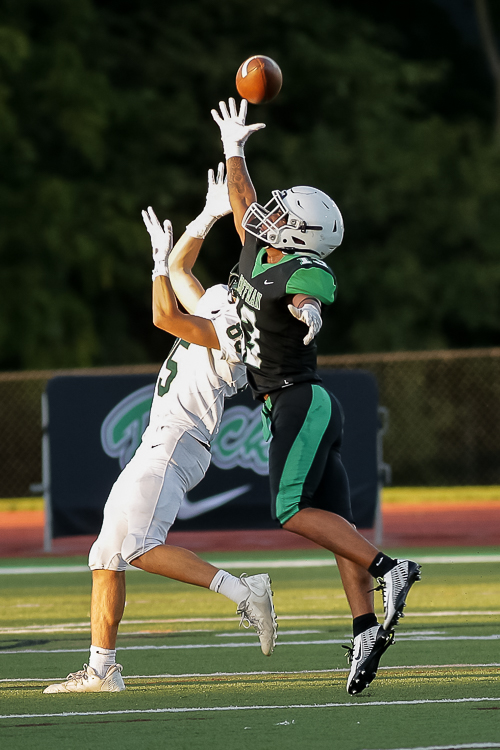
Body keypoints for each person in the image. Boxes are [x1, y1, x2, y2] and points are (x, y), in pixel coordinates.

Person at [211, 98, 421, 695]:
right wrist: (234, 150)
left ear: (300, 235)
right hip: (303, 405)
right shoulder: (259, 249)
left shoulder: (303, 266)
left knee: (288, 509)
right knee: (337, 525)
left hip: (299, 402)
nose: (269, 212)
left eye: (282, 213)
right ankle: (363, 628)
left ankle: (391, 568)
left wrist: (308, 312)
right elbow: (244, 206)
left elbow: (310, 290)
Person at [43, 165, 277, 694]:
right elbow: (181, 270)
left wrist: (155, 265)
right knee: (107, 554)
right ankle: (102, 671)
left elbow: (164, 315)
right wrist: (208, 215)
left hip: (176, 441)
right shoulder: (225, 303)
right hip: (164, 440)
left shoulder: (241, 329)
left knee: (140, 548)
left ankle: (243, 590)